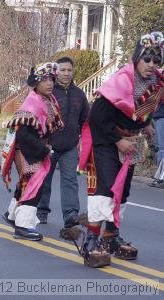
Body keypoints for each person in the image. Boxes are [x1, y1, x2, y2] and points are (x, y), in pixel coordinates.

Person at [78, 32, 163, 268]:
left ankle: (111, 236)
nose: (151, 65)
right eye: (147, 59)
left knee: (122, 192)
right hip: (105, 141)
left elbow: (139, 112)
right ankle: (91, 240)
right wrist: (118, 141)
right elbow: (96, 118)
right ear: (136, 57)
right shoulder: (121, 80)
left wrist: (146, 125)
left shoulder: (156, 84)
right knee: (104, 191)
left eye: (157, 61)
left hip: (131, 142)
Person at [0, 62, 63, 241]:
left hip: (36, 148)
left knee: (27, 184)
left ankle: (12, 215)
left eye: (51, 79)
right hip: (28, 150)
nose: (49, 83)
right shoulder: (32, 103)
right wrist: (42, 151)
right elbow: (23, 134)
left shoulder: (48, 100)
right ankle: (23, 226)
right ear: (36, 83)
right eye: (44, 80)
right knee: (34, 186)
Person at [36, 57, 89, 226]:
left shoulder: (79, 95)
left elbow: (85, 120)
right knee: (44, 180)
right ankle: (41, 211)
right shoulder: (48, 92)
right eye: (63, 70)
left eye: (69, 70)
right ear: (56, 72)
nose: (66, 73)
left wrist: (81, 139)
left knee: (70, 182)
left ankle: (70, 216)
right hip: (48, 146)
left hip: (70, 147)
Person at [149, 101, 164, 187]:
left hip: (161, 116)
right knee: (160, 148)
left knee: (162, 148)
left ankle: (160, 178)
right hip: (158, 117)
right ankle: (158, 176)